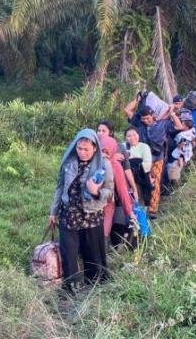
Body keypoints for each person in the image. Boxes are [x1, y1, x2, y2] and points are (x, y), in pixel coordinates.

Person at [48, 129, 114, 292]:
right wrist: (53, 211)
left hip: (91, 215)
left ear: (94, 148)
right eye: (79, 148)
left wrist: (96, 192)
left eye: (86, 149)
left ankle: (95, 285)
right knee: (68, 253)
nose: (82, 152)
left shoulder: (103, 164)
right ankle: (71, 286)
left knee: (92, 253)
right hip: (69, 214)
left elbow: (110, 193)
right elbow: (60, 187)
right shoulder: (69, 162)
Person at [124, 102, 184, 218]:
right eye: (143, 119)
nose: (146, 121)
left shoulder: (163, 124)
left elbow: (179, 126)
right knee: (142, 183)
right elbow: (127, 110)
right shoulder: (139, 125)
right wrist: (137, 99)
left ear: (152, 116)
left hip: (157, 158)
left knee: (155, 183)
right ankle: (142, 206)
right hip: (141, 160)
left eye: (147, 118)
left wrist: (172, 113)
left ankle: (153, 209)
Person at [99, 136, 136, 249]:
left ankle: (103, 253)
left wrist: (130, 212)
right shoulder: (92, 162)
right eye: (102, 151)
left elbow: (122, 190)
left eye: (107, 151)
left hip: (107, 203)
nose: (104, 154)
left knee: (104, 232)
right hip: (92, 204)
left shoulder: (115, 166)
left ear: (113, 151)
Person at [97, 121, 139, 202]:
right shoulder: (93, 146)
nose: (100, 133)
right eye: (98, 130)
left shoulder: (120, 147)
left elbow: (127, 169)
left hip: (118, 186)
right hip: (99, 187)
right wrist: (111, 157)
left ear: (111, 132)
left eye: (103, 131)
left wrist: (134, 188)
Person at [123, 126, 153, 210]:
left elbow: (147, 163)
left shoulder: (144, 147)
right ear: (126, 138)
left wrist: (135, 166)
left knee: (141, 198)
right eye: (129, 136)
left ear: (138, 135)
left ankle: (142, 217)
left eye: (134, 135)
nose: (132, 138)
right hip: (127, 177)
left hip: (141, 177)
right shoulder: (123, 147)